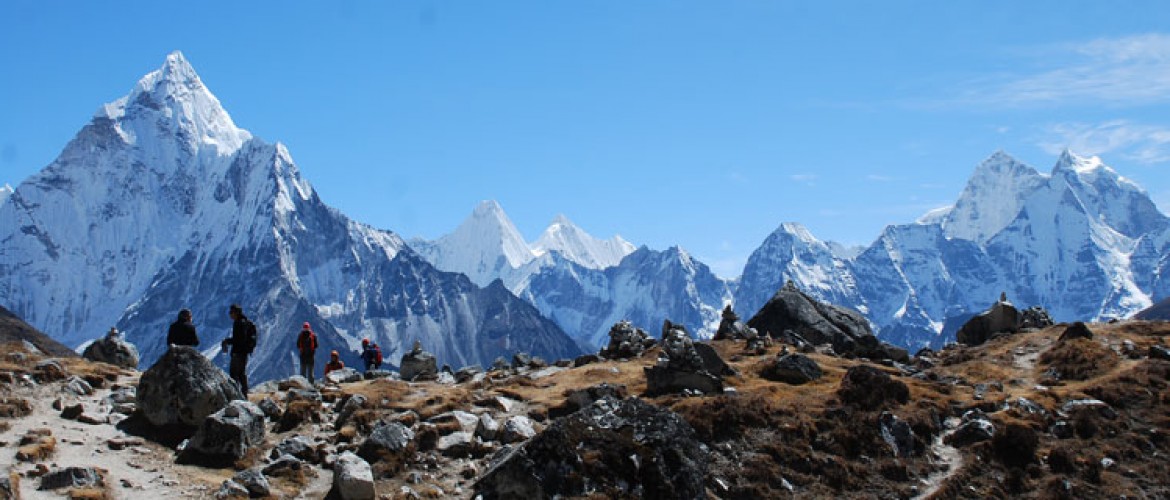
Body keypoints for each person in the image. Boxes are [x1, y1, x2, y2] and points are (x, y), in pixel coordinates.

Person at [221, 304, 257, 395]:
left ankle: (235, 394)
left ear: (236, 313)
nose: (230, 314)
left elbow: (238, 339)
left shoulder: (238, 323)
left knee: (234, 374)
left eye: (231, 312)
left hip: (238, 352)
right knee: (241, 374)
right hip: (244, 352)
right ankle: (244, 393)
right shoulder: (246, 322)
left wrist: (227, 341)